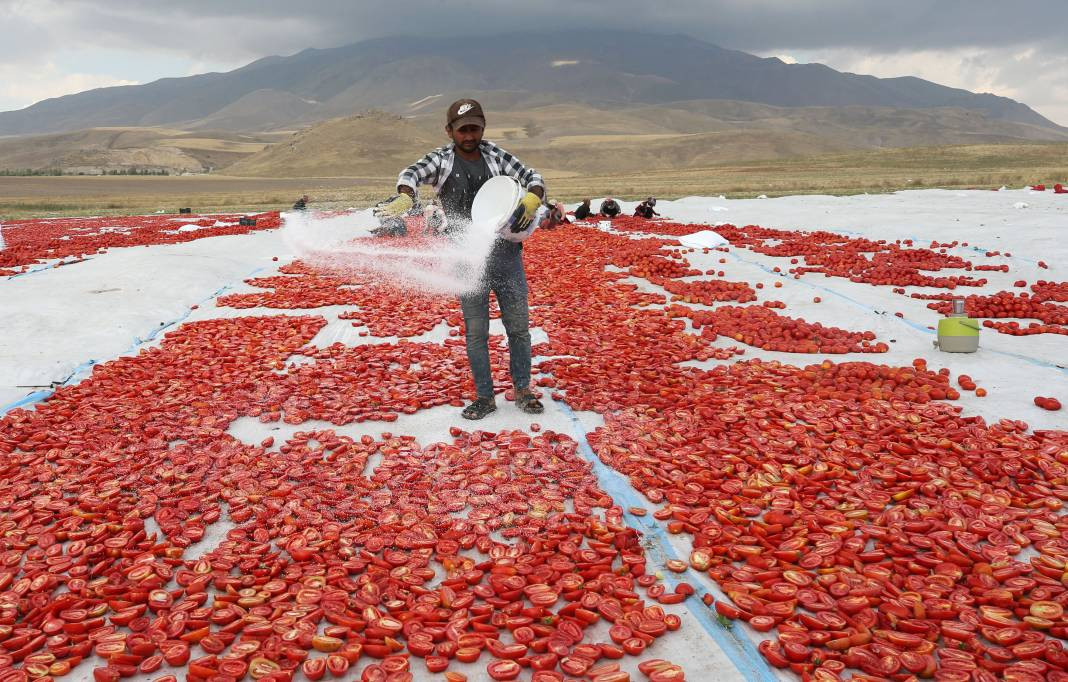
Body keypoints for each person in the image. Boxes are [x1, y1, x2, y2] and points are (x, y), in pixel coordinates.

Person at [375, 98, 546, 420]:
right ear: (449, 130)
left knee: (519, 328)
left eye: (474, 129)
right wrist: (406, 195)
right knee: (476, 332)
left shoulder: (496, 155)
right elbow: (412, 173)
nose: (469, 136)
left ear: (483, 128)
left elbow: (531, 175)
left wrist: (533, 196)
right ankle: (484, 396)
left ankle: (523, 389)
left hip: (506, 257)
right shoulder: (441, 160)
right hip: (467, 261)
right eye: (463, 130)